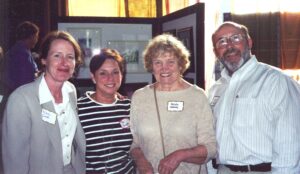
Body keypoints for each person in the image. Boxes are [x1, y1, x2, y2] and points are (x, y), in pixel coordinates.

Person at [208, 21, 300, 174]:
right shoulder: (215, 89)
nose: (229, 45)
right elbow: (212, 138)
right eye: (221, 41)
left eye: (236, 38)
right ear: (216, 51)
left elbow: (291, 142)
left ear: (249, 42)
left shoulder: (277, 81)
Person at [130, 34, 216, 174]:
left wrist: (179, 155)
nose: (164, 68)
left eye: (170, 62)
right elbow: (134, 143)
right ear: (151, 66)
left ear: (181, 64)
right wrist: (141, 161)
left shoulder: (197, 96)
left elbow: (211, 147)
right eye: (158, 62)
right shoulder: (140, 97)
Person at [2, 31, 86, 174]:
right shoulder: (21, 100)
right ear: (44, 60)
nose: (64, 62)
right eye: (57, 55)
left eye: (70, 57)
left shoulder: (70, 91)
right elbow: (15, 162)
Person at [77, 48, 135, 173]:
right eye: (103, 73)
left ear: (122, 75)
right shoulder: (78, 108)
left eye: (115, 72)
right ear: (93, 77)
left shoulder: (130, 107)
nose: (110, 78)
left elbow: (137, 146)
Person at [3, 21, 40, 93]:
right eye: (36, 36)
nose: (37, 39)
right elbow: (28, 82)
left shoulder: (14, 50)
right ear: (31, 37)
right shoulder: (24, 55)